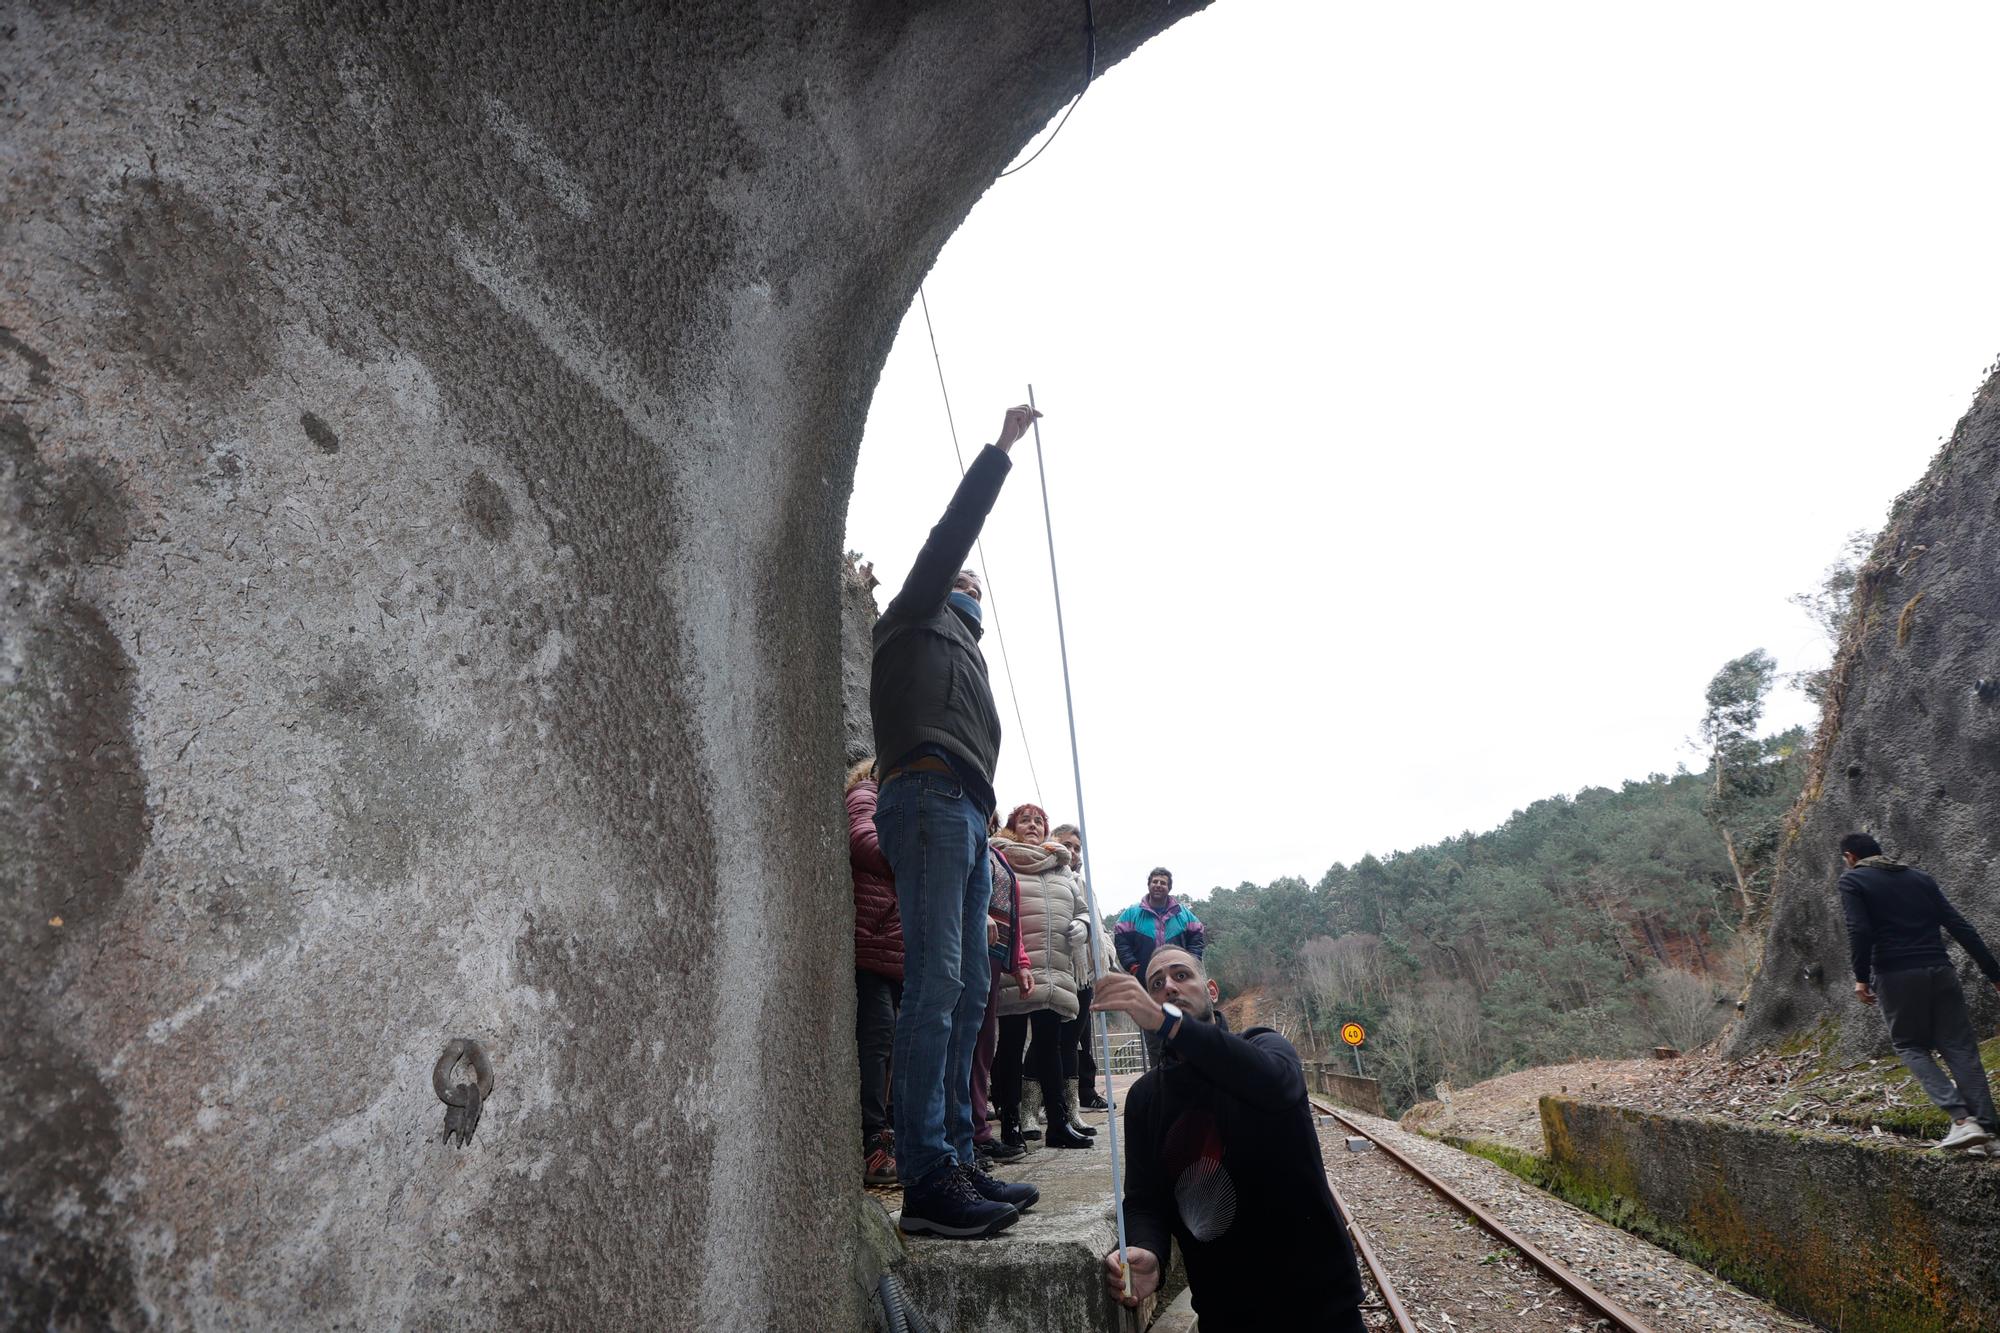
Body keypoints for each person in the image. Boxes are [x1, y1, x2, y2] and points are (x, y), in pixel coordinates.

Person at [871, 403, 1043, 1238]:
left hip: (968, 812)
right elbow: (951, 534)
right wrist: (1000, 453)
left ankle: (958, 1158)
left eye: (975, 588)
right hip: (929, 795)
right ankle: (927, 1172)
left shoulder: (965, 656)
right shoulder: (911, 614)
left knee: (970, 986)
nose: (968, 589)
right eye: (962, 585)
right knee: (936, 983)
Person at [1094, 947, 1366, 1332]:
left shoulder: (1266, 1047)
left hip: (1320, 1306)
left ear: (1212, 990)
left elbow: (1274, 1084)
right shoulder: (1145, 1098)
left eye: (1181, 976)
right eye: (1156, 985)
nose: (1169, 987)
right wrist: (1148, 1249)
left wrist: (1169, 1024)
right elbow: (1144, 1200)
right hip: (1225, 1315)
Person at [1838, 833, 2000, 1153]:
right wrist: (1993, 973)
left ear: (1850, 856)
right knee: (1960, 1048)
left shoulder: (1853, 881)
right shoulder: (1919, 878)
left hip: (1896, 973)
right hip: (1941, 970)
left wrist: (1861, 977)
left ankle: (1962, 1122)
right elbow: (1958, 924)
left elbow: (1860, 930)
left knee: (1910, 1045)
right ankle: (1990, 1135)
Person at [992, 803, 1095, 1152]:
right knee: (1010, 1045)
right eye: (1025, 820)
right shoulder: (1002, 858)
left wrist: (1083, 925)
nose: (1033, 825)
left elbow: (1083, 909)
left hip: (1054, 968)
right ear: (1012, 827)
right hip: (1015, 965)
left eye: (1039, 821)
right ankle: (1010, 1125)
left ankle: (1059, 1124)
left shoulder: (1061, 868)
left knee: (1050, 1045)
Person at [846, 758, 903, 1186]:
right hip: (872, 941)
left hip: (894, 949)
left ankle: (890, 1135)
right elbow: (863, 841)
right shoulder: (868, 795)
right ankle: (873, 1140)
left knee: (896, 1043)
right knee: (879, 1036)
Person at [971, 826, 1033, 1166]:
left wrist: (1020, 961)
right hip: (970, 946)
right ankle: (967, 1135)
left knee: (983, 1046)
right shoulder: (973, 843)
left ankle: (978, 1131)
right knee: (967, 1045)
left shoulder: (995, 855)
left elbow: (1014, 913)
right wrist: (978, 915)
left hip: (994, 954)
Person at [1114, 868, 1206, 1065]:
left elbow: (1198, 935)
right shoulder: (1133, 914)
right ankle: (1161, 1079)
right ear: (1149, 885)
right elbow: (1120, 940)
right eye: (1155, 881)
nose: (1158, 885)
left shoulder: (1182, 914)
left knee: (1186, 1029)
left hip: (1179, 987)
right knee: (1155, 1035)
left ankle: (1191, 1074)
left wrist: (1192, 962)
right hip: (1149, 986)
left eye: (1163, 882)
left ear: (1169, 888)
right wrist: (1133, 968)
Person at [1053, 822, 1110, 1113]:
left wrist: (1103, 962)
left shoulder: (1084, 885)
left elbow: (1097, 926)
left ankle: (1082, 1094)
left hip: (1084, 973)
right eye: (1067, 845)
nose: (1072, 852)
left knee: (1082, 1039)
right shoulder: (1048, 877)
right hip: (1056, 969)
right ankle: (1047, 1103)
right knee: (1054, 1041)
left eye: (1077, 848)